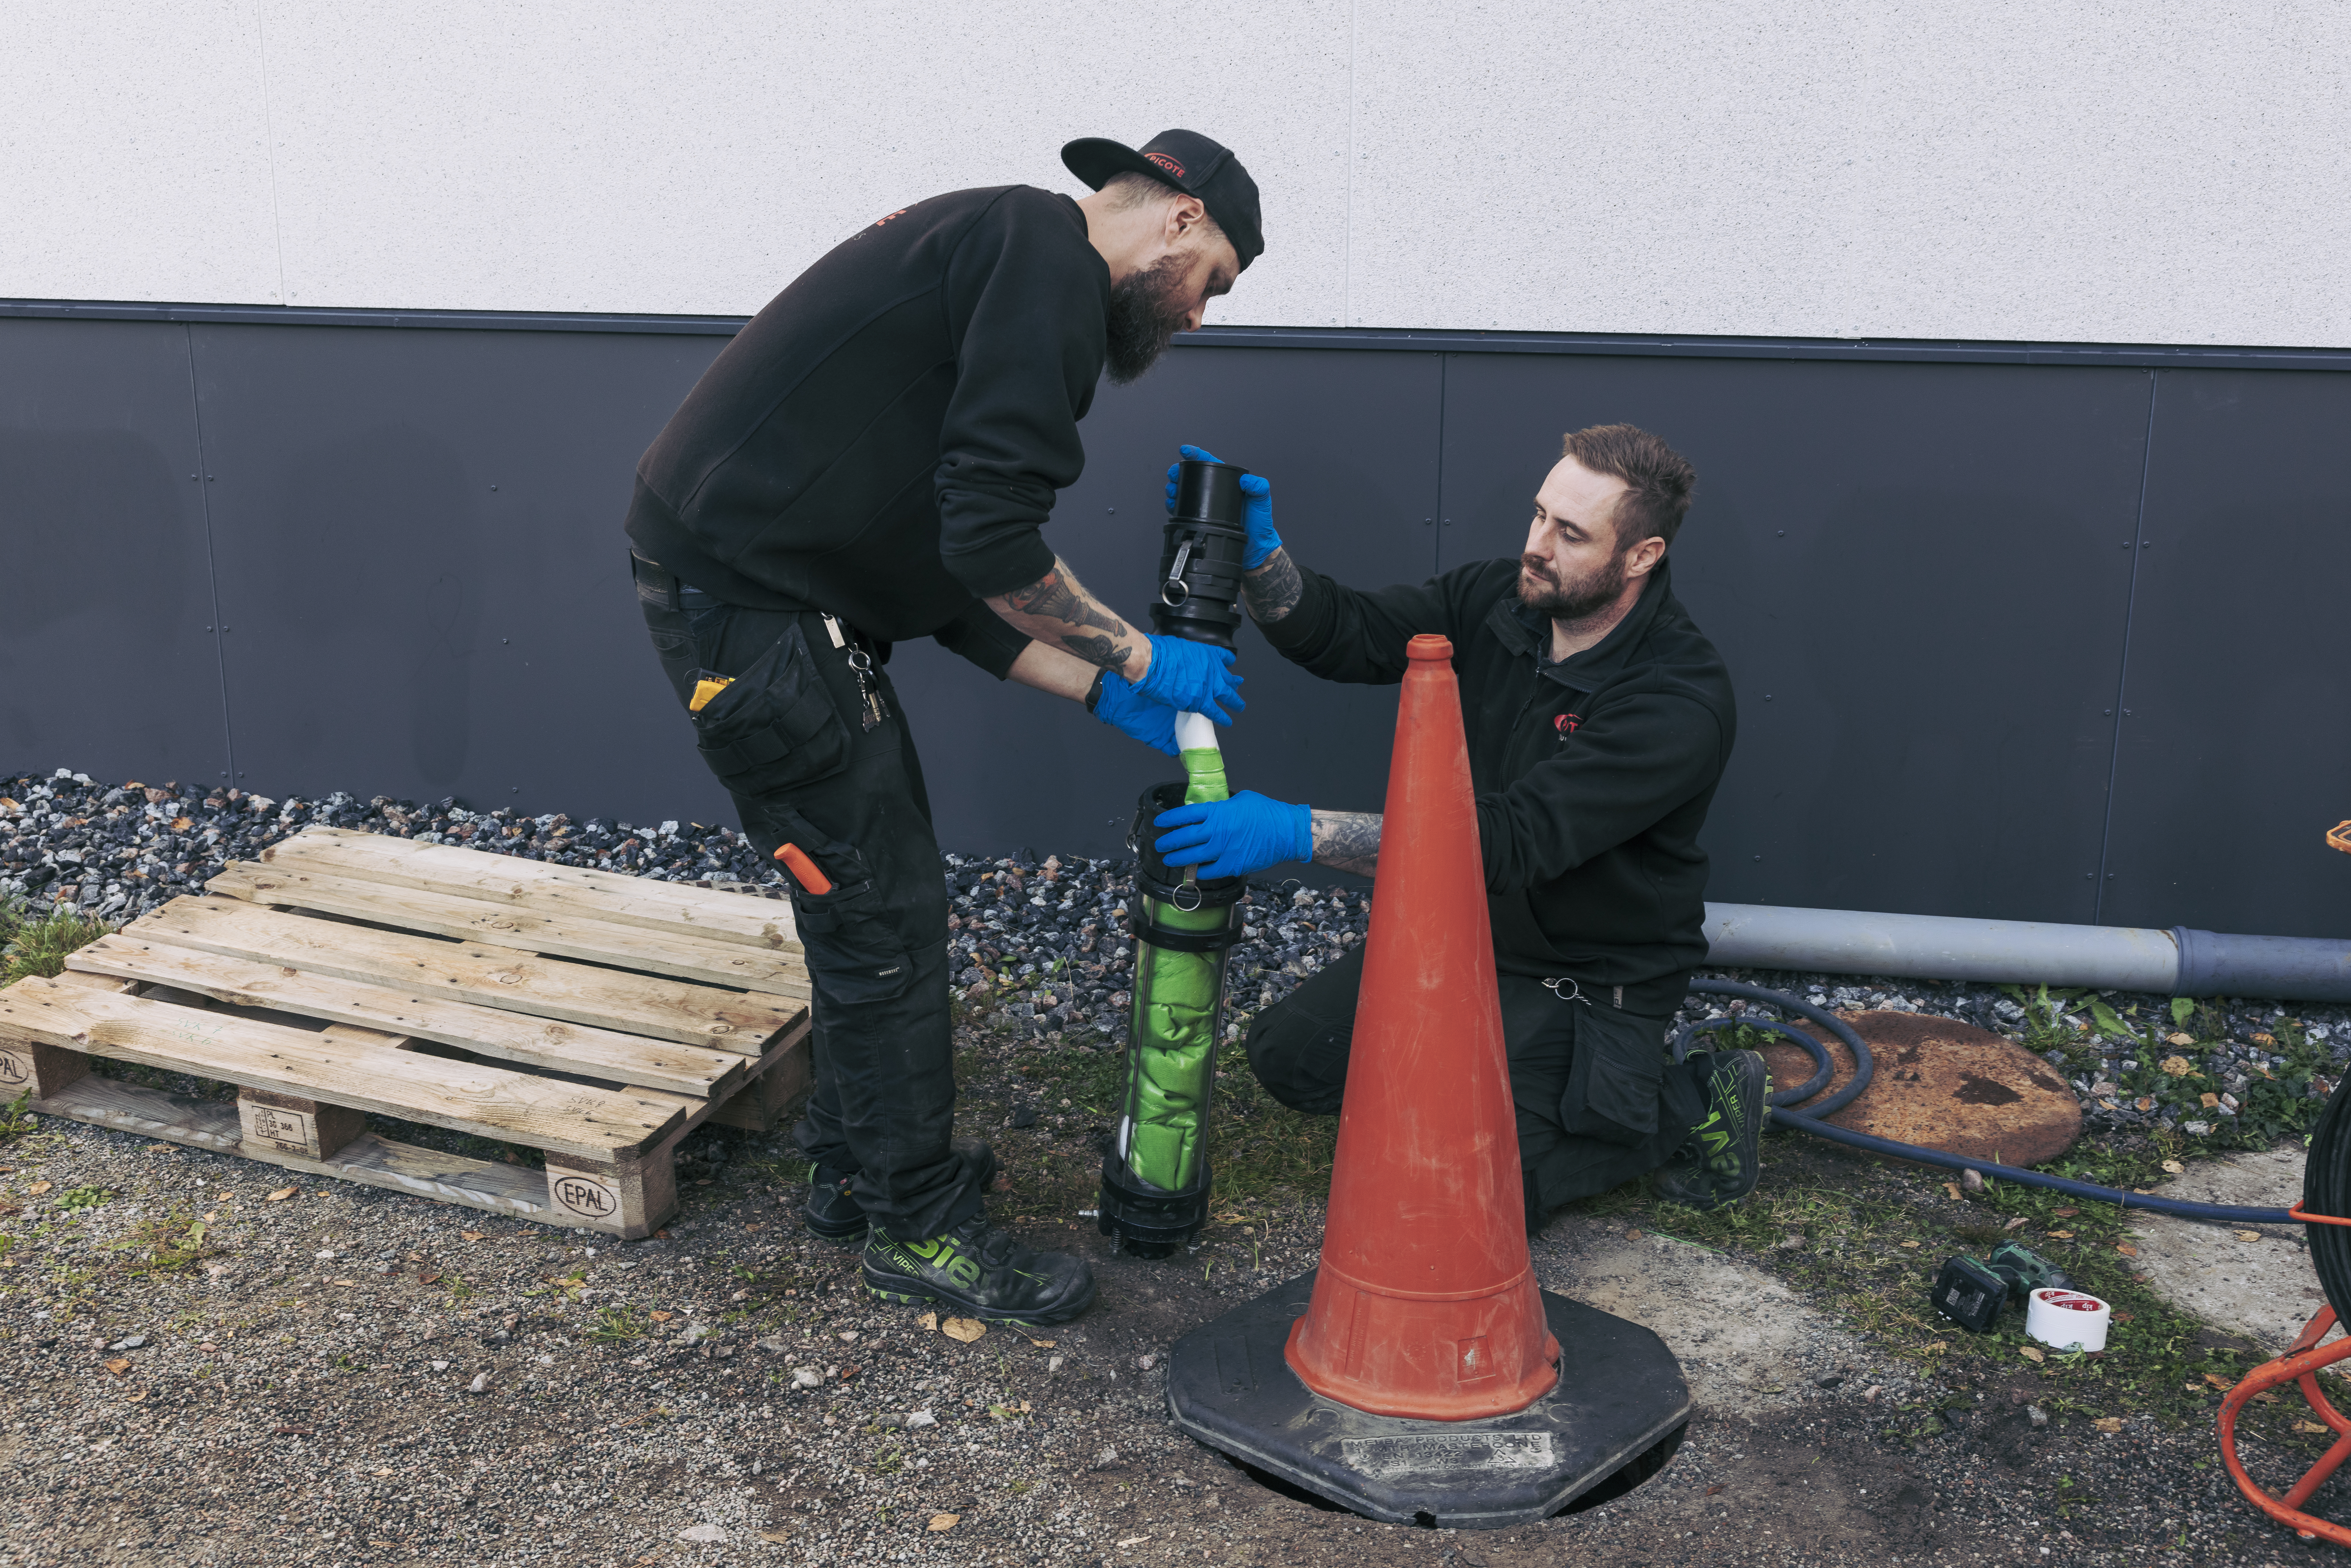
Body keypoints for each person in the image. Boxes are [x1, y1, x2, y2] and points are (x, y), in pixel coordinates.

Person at [624, 132, 1265, 1328]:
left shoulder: (998, 250)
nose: (1196, 316)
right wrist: (1137, 653)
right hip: (755, 612)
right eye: (1213, 283)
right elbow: (994, 545)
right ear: (1180, 220)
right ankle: (915, 1226)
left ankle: (857, 1167)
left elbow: (945, 574)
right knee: (882, 912)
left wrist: (1096, 691)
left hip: (767, 591)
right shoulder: (1045, 258)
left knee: (873, 896)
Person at [1150, 426, 1769, 1222]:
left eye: (1571, 533)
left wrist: (1295, 833)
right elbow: (1347, 634)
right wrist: (1258, 557)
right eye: (1539, 515)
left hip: (1587, 980)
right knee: (1291, 1060)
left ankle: (1686, 1099)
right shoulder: (1499, 601)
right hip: (1464, 931)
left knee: (1469, 1194)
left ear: (1642, 556)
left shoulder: (1675, 699)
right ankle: (1485, 1078)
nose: (1537, 546)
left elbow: (1509, 840)